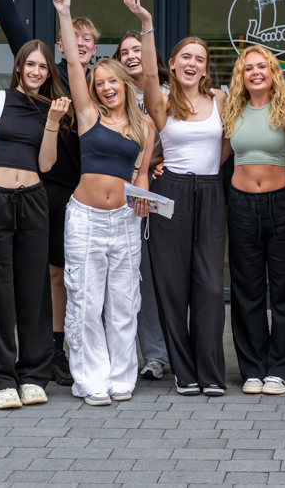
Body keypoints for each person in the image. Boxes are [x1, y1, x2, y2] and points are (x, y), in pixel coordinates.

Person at [0, 0, 98, 388]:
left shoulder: (102, 89)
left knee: (62, 274)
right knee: (33, 275)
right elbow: (12, 23)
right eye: (75, 39)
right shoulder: (44, 82)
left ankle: (55, 351)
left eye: (88, 41)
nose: (80, 45)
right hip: (33, 190)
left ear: (93, 50)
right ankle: (24, 356)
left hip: (77, 194)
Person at [53, 0, 154, 406]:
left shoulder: (144, 125)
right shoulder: (88, 115)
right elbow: (75, 65)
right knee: (85, 301)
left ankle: (119, 377)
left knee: (123, 303)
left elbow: (142, 173)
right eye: (100, 83)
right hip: (85, 218)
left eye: (113, 80)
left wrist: (145, 197)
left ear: (125, 83)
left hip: (126, 221)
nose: (107, 87)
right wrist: (65, 12)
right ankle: (90, 379)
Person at [126, 0, 229, 396]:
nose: (192, 63)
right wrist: (146, 23)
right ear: (173, 63)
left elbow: (228, 144)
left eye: (199, 59)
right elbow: (147, 76)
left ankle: (211, 372)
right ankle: (184, 373)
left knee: (207, 285)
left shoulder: (220, 99)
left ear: (206, 67)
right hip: (170, 195)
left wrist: (208, 176)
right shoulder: (162, 103)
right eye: (185, 57)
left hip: (208, 192)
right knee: (171, 284)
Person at [0, 41, 72, 409]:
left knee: (34, 290)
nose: (37, 71)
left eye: (43, 66)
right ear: (19, 67)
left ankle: (32, 376)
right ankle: (2, 381)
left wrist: (54, 123)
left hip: (34, 201)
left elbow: (45, 164)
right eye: (31, 65)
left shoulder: (49, 109)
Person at [223, 45, 285, 396]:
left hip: (282, 205)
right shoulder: (232, 110)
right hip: (242, 204)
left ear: (273, 73)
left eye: (263, 67)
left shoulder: (284, 110)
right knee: (246, 290)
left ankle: (280, 369)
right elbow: (216, 154)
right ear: (241, 76)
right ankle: (252, 368)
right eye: (249, 69)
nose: (256, 72)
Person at [115, 31, 172, 380]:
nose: (131, 55)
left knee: (158, 275)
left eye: (138, 49)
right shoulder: (111, 94)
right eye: (125, 52)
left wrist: (152, 165)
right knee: (131, 277)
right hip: (114, 195)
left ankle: (161, 353)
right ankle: (138, 353)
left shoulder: (169, 93)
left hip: (158, 194)